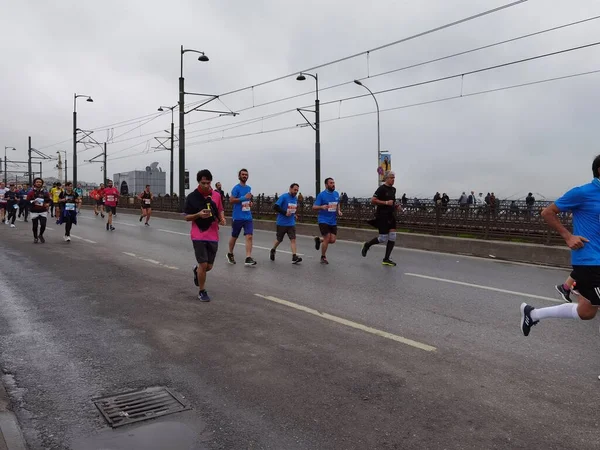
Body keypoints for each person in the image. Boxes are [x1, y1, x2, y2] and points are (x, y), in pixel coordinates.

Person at [520, 155, 600, 337]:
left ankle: (533, 314)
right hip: (589, 260)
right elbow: (548, 212)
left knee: (586, 312)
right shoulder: (583, 192)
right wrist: (568, 236)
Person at [185, 169, 226, 302]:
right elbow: (187, 217)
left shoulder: (216, 196)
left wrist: (222, 218)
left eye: (208, 183)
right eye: (203, 183)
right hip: (198, 235)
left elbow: (220, 209)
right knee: (203, 265)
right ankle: (202, 291)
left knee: (209, 266)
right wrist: (198, 215)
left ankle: (197, 271)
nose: (206, 185)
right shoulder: (192, 197)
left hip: (213, 234)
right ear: (198, 182)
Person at [361, 171, 402, 266]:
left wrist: (396, 206)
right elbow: (373, 200)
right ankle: (367, 245)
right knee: (383, 238)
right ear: (386, 178)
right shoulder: (381, 189)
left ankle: (386, 259)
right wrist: (386, 203)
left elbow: (393, 201)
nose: (393, 180)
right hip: (382, 215)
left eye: (394, 178)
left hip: (391, 215)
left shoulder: (393, 190)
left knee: (393, 236)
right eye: (391, 178)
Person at [227, 169, 257, 266]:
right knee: (234, 236)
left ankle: (248, 257)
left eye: (246, 175)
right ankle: (230, 253)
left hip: (248, 216)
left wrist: (249, 203)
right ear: (239, 176)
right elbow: (231, 200)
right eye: (243, 174)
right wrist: (244, 198)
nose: (245, 176)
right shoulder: (236, 188)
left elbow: (247, 200)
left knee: (249, 236)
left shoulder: (249, 188)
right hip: (238, 217)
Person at [270, 183, 302, 264]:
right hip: (282, 223)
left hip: (291, 223)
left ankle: (294, 257)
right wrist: (284, 213)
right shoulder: (284, 197)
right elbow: (275, 207)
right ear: (290, 189)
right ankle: (273, 249)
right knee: (279, 240)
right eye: (295, 190)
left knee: (293, 239)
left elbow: (291, 209)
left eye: (297, 190)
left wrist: (294, 214)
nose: (296, 192)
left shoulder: (295, 198)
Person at [313, 177, 342, 264]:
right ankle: (323, 257)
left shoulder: (336, 194)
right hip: (323, 220)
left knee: (332, 240)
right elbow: (314, 207)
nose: (333, 184)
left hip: (332, 221)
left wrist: (339, 211)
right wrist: (321, 207)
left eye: (333, 183)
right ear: (326, 185)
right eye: (331, 183)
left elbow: (338, 203)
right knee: (327, 237)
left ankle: (319, 240)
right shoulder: (321, 195)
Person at [26, 177, 50, 243]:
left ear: (42, 183)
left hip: (43, 211)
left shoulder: (45, 192)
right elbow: (27, 201)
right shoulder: (31, 193)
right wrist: (32, 202)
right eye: (37, 182)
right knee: (35, 225)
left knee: (43, 224)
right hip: (34, 211)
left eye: (40, 182)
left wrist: (48, 204)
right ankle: (35, 237)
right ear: (34, 183)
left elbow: (49, 200)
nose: (38, 183)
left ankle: (40, 235)